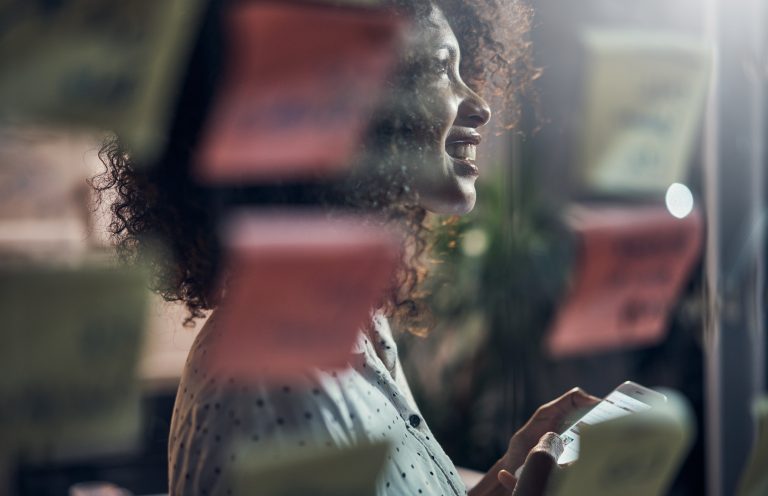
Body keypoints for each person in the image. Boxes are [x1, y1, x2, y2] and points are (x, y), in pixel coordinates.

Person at [92, 0, 599, 494]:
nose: (480, 103)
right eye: (442, 68)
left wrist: (508, 471)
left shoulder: (356, 329)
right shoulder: (266, 384)